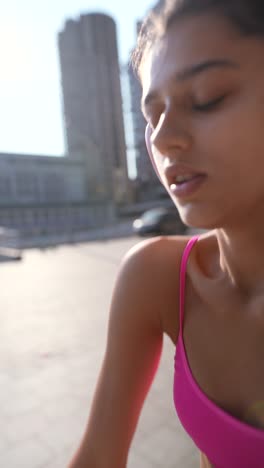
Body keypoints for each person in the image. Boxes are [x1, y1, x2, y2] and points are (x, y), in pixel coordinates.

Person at [68, 0, 264, 466]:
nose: (161, 136)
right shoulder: (155, 279)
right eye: (151, 114)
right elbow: (98, 456)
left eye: (207, 96)